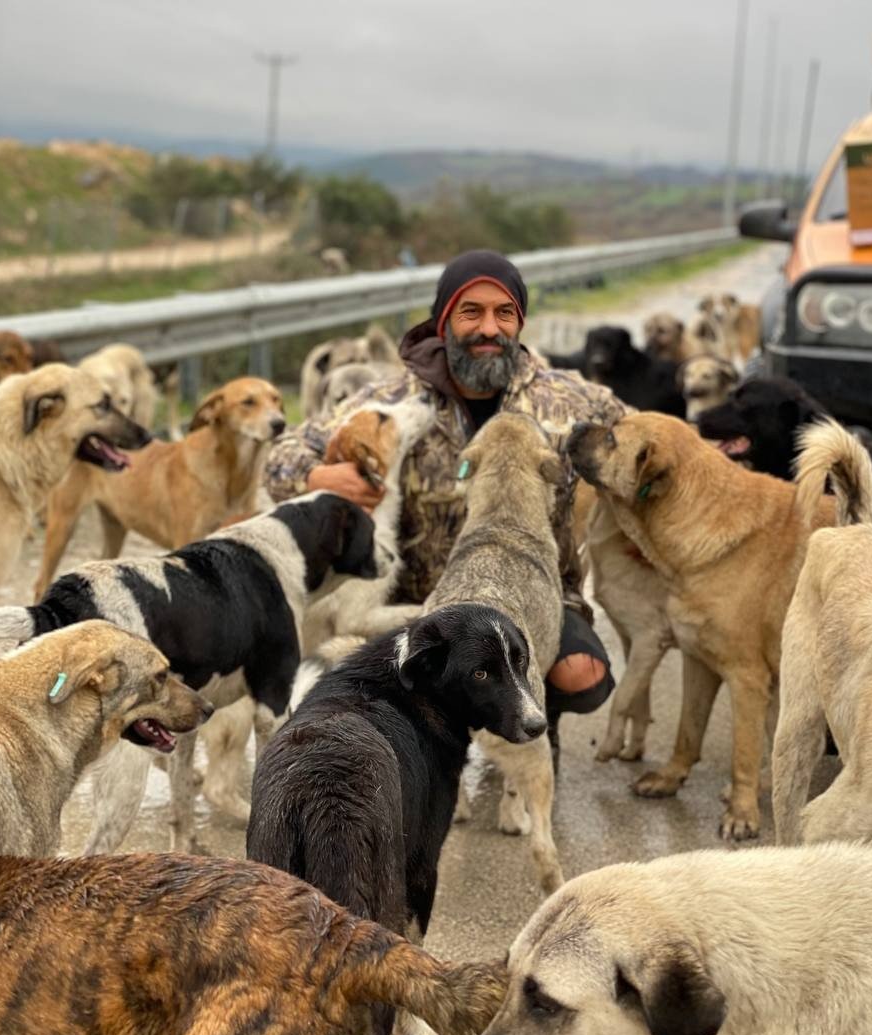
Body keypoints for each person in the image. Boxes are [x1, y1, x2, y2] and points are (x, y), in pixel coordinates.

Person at [265, 248, 624, 724]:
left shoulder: (566, 399)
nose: (489, 329)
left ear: (520, 322)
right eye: (470, 313)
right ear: (443, 322)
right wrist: (319, 475)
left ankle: (526, 716)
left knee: (582, 673)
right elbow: (281, 457)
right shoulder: (393, 401)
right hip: (416, 602)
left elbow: (659, 444)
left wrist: (645, 521)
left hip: (531, 598)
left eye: (504, 314)